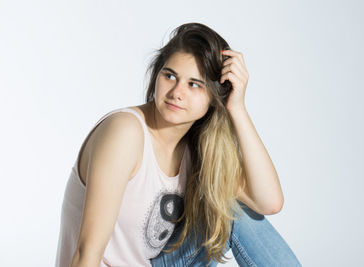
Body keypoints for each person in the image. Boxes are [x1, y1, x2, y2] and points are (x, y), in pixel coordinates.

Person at [55, 22, 302, 267]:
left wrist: (237, 108)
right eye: (170, 75)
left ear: (214, 97)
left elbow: (269, 202)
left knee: (230, 209)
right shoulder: (125, 132)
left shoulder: (197, 149)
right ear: (156, 76)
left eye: (194, 84)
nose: (177, 92)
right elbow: (86, 252)